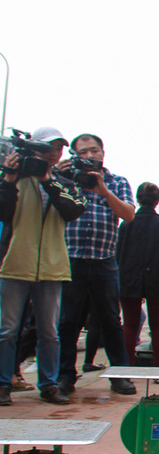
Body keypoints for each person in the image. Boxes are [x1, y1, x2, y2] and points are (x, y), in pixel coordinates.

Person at [0, 127, 87, 405]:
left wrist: (50, 181)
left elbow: (74, 210)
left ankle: (48, 385)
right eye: (49, 148)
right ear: (34, 149)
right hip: (14, 264)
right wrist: (8, 178)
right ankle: (3, 384)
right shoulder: (14, 179)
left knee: (50, 332)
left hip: (51, 268)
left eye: (59, 148)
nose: (54, 153)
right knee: (7, 330)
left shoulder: (64, 182)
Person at [56, 133, 137, 395]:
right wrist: (57, 176)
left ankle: (119, 375)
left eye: (94, 151)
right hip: (71, 259)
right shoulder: (67, 180)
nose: (90, 156)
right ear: (75, 156)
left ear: (103, 152)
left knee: (112, 321)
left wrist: (102, 189)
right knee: (68, 322)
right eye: (83, 153)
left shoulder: (117, 181)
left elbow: (128, 214)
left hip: (105, 262)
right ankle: (65, 376)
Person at [117, 183, 159, 370]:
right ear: (157, 201)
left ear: (138, 199)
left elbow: (118, 255)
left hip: (129, 279)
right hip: (158, 281)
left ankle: (126, 370)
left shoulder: (126, 224)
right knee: (157, 327)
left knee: (130, 325)